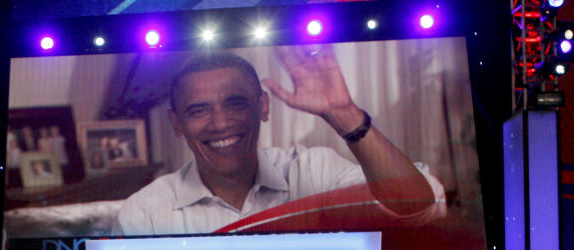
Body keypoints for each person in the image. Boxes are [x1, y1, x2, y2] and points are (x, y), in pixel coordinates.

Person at [113, 50, 445, 236]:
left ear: (263, 107)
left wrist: (345, 114)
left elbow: (417, 208)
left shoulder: (313, 171)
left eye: (236, 103)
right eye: (199, 110)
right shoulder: (145, 214)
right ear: (177, 124)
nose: (221, 123)